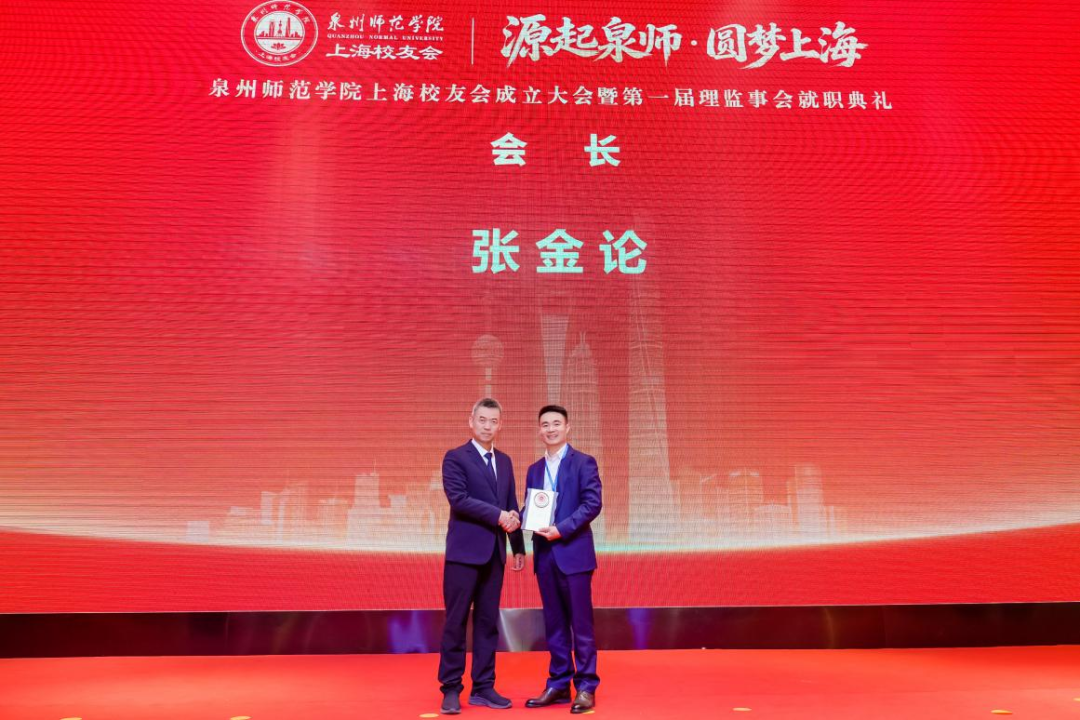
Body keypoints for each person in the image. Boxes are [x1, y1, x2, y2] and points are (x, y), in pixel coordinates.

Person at [437, 398, 526, 715]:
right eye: (482, 420)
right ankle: (450, 688)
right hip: (463, 554)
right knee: (456, 622)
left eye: (494, 421)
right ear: (471, 421)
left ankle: (484, 687)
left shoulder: (505, 461)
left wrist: (517, 546)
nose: (488, 426)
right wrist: (499, 516)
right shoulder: (455, 457)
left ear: (501, 425)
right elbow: (459, 499)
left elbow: (511, 503)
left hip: (494, 554)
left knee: (488, 623)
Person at [524, 405, 602, 714]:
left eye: (556, 423)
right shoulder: (534, 469)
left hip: (574, 554)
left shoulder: (584, 462)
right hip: (545, 556)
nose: (551, 429)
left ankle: (586, 686)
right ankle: (558, 683)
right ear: (539, 431)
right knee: (554, 624)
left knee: (581, 625)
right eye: (545, 424)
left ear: (567, 428)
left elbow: (592, 504)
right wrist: (519, 517)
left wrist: (562, 529)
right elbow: (533, 508)